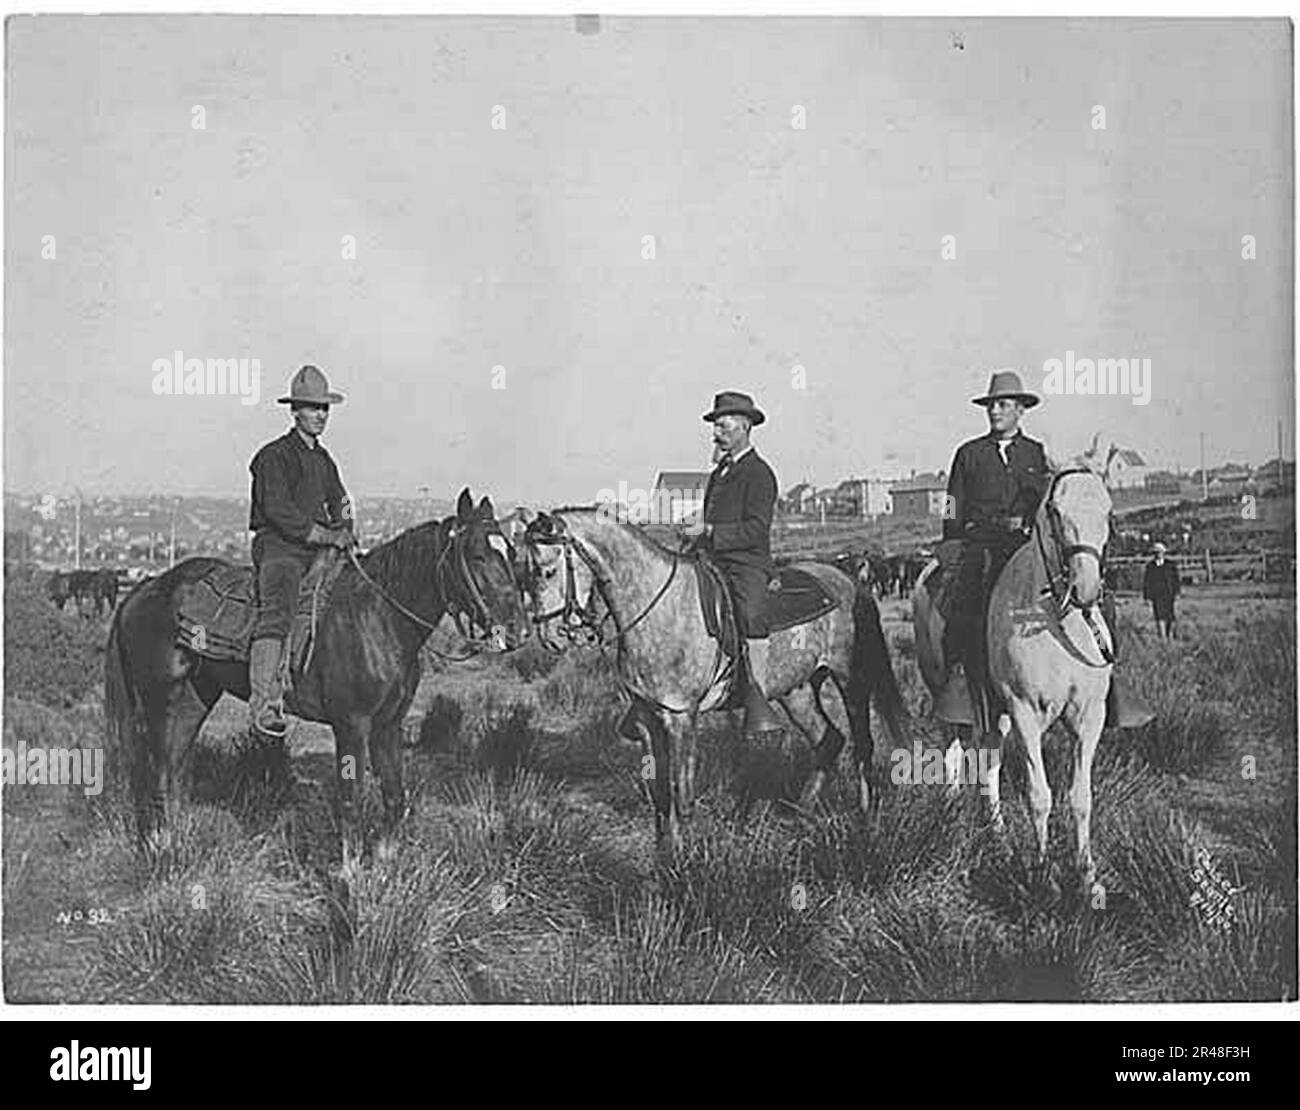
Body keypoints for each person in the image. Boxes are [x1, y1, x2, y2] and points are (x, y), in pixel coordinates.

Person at [246, 365, 356, 740]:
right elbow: (280, 512)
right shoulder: (272, 457)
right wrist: (326, 534)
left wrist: (346, 526)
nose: (321, 415)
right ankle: (265, 704)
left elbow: (340, 500)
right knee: (278, 609)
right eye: (313, 408)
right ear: (295, 411)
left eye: (325, 408)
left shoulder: (325, 461)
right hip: (280, 547)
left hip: (318, 546)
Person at [681, 390, 785, 738]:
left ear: (744, 427)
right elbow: (711, 518)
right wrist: (694, 533)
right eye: (716, 427)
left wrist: (709, 530)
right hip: (712, 559)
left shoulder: (759, 474)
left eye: (723, 426)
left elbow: (756, 529)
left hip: (746, 563)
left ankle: (756, 694)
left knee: (751, 614)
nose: (716, 433)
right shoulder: (720, 473)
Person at [1142, 541, 1181, 638]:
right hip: (1156, 595)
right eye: (1156, 552)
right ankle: (1162, 636)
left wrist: (1177, 593)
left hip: (1169, 593)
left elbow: (1176, 580)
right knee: (1159, 616)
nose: (1158, 554)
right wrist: (1147, 597)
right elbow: (1147, 582)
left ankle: (1170, 635)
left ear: (1163, 553)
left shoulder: (1171, 565)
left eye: (1160, 552)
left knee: (1170, 616)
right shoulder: (1150, 566)